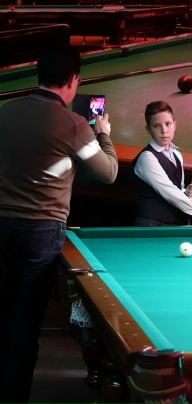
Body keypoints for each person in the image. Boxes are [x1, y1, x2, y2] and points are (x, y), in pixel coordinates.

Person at [0, 43, 118, 404]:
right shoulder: (75, 124)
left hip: (1, 225)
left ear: (38, 74)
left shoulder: (6, 111)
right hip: (41, 233)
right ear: (74, 81)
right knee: (23, 326)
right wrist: (103, 133)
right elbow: (109, 173)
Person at [133, 101, 192, 226]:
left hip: (172, 223)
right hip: (151, 225)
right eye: (156, 126)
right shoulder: (147, 157)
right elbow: (169, 192)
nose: (164, 130)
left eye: (168, 124)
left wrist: (185, 192)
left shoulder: (177, 154)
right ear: (148, 130)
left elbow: (177, 190)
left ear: (174, 125)